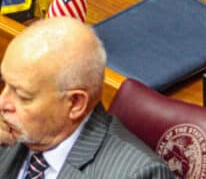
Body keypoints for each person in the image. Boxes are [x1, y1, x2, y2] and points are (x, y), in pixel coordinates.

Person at [0, 18, 172, 178]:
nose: (2, 103)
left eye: (22, 96)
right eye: (3, 84)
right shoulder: (14, 133)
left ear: (75, 103)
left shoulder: (136, 174)